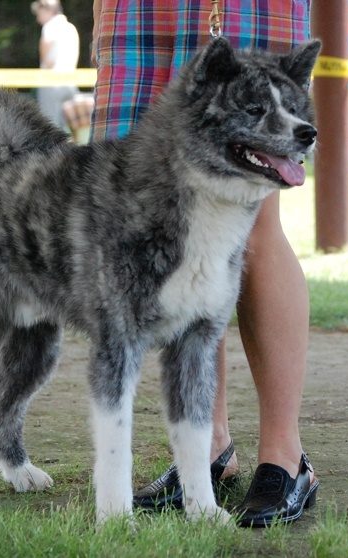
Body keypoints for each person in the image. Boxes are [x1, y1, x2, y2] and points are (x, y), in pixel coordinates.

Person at [90, 0, 319, 527]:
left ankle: (285, 457)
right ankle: (206, 451)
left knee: (252, 215)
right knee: (158, 210)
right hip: (138, 10)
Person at [31, 0, 80, 128]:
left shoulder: (50, 26)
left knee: (49, 126)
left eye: (39, 13)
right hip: (70, 83)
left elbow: (46, 43)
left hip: (51, 83)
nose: (38, 18)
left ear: (49, 10)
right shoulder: (71, 28)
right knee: (70, 128)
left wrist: (45, 59)